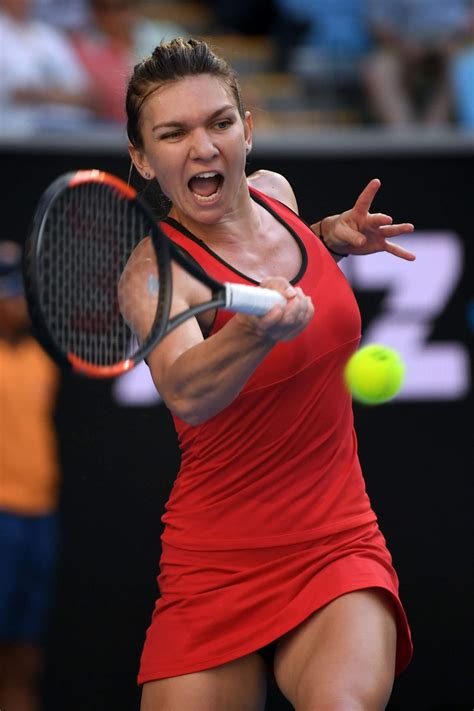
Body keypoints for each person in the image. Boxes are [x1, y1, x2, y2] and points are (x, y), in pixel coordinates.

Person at [121, 38, 415, 710]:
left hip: (335, 539)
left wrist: (329, 237)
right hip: (213, 563)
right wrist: (255, 334)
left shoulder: (276, 195)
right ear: (141, 158)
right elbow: (188, 390)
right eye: (174, 132)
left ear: (247, 131)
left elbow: (285, 269)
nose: (203, 147)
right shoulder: (151, 274)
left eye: (219, 123)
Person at [0, 241, 61, 711]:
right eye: (9, 293)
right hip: (1, 517)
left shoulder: (40, 362)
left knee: (26, 652)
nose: (19, 303)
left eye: (21, 292)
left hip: (40, 517)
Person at [71, 0, 186, 124]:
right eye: (103, 8)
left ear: (134, 6)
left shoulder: (169, 36)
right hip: (109, 128)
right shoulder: (80, 47)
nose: (112, 15)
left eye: (121, 7)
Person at [363, 0, 474, 127]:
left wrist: (455, 39)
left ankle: (433, 130)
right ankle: (405, 134)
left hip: (454, 43)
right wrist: (403, 46)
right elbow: (378, 23)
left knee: (461, 64)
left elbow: (470, 18)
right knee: (378, 70)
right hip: (401, 46)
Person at [0, 0, 94, 134]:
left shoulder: (48, 35)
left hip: (65, 132)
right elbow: (14, 93)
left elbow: (84, 93)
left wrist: (38, 95)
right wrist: (54, 94)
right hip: (11, 137)